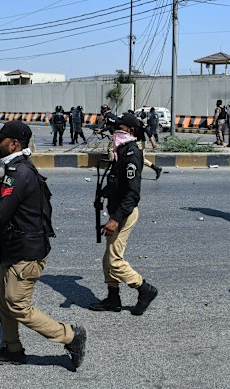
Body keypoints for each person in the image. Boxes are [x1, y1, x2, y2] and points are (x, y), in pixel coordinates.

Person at [0, 120, 87, 368]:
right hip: (14, 248)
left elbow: (0, 215)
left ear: (13, 144)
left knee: (18, 305)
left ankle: (70, 336)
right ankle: (12, 349)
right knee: (3, 301)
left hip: (25, 252)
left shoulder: (18, 173)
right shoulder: (19, 168)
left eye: (0, 140)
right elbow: (8, 210)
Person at [88, 112, 158, 315]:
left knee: (115, 261)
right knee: (107, 260)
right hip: (116, 210)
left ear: (132, 132)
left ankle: (144, 289)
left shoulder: (131, 154)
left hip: (124, 213)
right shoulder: (121, 150)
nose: (116, 131)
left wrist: (115, 219)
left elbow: (132, 194)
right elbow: (117, 183)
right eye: (115, 128)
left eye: (121, 129)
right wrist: (103, 194)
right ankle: (113, 298)